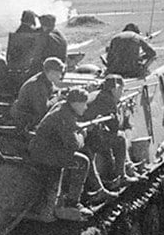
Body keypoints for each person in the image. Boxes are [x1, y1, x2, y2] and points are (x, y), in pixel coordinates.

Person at [29, 87, 114, 222]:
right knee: (81, 162)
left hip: (43, 148)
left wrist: (80, 127)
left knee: (83, 155)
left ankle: (95, 189)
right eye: (84, 104)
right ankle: (72, 203)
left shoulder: (63, 107)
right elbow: (74, 144)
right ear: (76, 103)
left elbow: (70, 126)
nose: (86, 108)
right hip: (45, 153)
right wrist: (83, 133)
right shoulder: (65, 115)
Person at [82, 75, 140, 187]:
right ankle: (121, 174)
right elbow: (115, 126)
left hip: (86, 134)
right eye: (121, 90)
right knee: (120, 138)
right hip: (89, 137)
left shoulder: (97, 94)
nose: (122, 93)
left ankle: (121, 168)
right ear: (115, 89)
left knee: (109, 136)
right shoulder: (108, 99)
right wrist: (120, 112)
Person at [10, 57, 65, 132]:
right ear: (51, 72)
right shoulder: (37, 85)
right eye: (59, 73)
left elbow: (53, 91)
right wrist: (57, 99)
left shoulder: (45, 79)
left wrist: (65, 91)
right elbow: (43, 110)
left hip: (33, 114)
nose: (60, 76)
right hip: (27, 120)